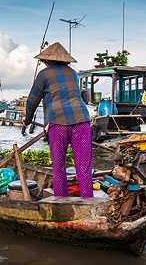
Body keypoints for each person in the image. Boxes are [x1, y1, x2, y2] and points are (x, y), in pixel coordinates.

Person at [22, 42, 93, 198]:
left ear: (48, 61)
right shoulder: (73, 73)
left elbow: (33, 99)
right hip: (82, 122)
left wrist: (27, 120)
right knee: (84, 167)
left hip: (58, 123)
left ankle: (62, 201)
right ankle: (88, 201)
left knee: (59, 167)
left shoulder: (44, 74)